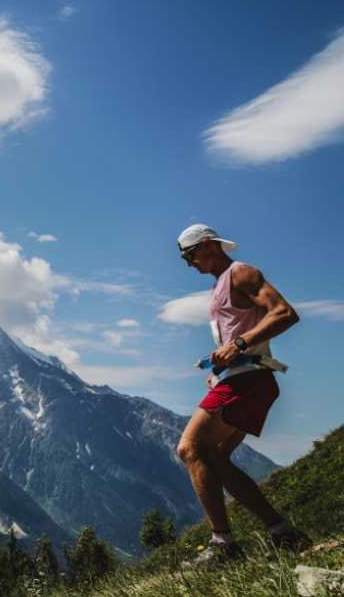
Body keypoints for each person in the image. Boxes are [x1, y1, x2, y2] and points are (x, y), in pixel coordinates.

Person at [174, 224, 310, 564]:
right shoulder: (221, 284)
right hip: (244, 377)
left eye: (189, 256)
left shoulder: (241, 273)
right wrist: (221, 366)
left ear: (207, 246)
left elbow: (285, 313)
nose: (189, 264)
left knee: (190, 449)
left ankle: (223, 545)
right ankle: (283, 533)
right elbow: (242, 332)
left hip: (247, 380)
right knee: (216, 458)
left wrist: (238, 345)